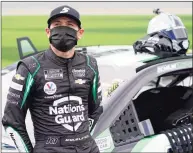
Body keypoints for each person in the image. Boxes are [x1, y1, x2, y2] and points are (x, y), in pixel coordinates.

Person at [2, 5, 103, 153]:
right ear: (48, 32)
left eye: (69, 25)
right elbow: (12, 121)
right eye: (57, 25)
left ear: (80, 33)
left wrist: (82, 137)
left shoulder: (90, 64)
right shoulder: (30, 67)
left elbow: (95, 110)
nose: (63, 29)